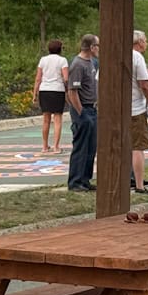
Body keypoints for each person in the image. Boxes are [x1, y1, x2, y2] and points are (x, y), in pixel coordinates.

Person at [65, 34, 99, 192]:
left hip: (92, 108)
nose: (98, 49)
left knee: (91, 147)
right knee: (81, 146)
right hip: (82, 109)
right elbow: (72, 92)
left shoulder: (91, 62)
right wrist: (81, 113)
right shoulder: (78, 64)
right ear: (91, 47)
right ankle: (75, 181)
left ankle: (85, 179)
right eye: (97, 46)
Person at [129, 30, 148, 195]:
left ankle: (124, 178)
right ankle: (139, 184)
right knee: (137, 147)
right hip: (134, 108)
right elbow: (144, 85)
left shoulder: (114, 54)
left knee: (121, 146)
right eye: (145, 40)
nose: (146, 43)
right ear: (139, 42)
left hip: (116, 109)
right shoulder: (137, 57)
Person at [32, 39, 68, 154]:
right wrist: (68, 91)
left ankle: (44, 146)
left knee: (46, 119)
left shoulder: (43, 60)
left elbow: (38, 78)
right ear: (60, 49)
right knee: (57, 119)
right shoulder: (62, 60)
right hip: (57, 90)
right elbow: (66, 78)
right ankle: (56, 147)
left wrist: (35, 93)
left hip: (44, 90)